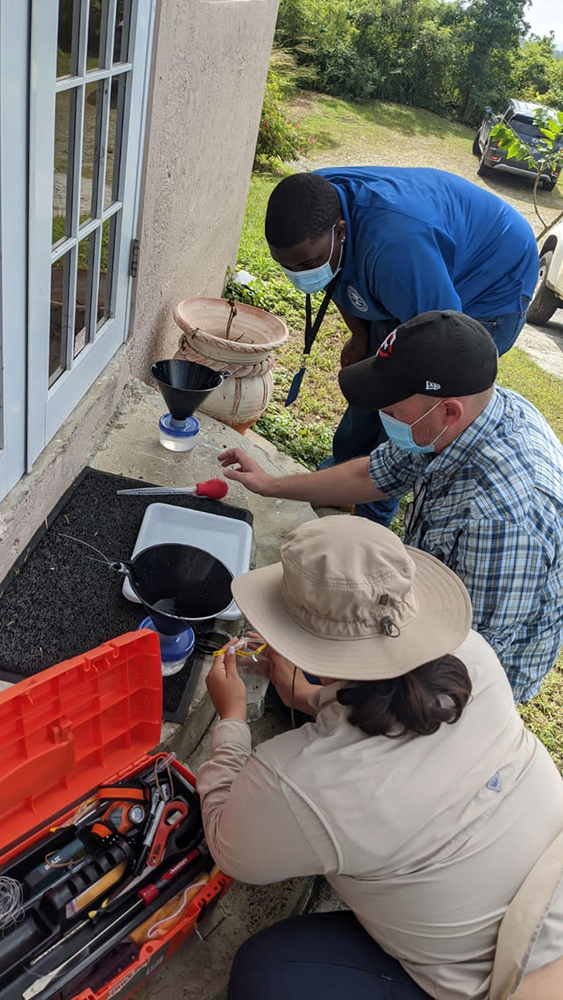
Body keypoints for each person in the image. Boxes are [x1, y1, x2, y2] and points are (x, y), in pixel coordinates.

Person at [197, 516, 563, 1000]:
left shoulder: (303, 782)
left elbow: (230, 847)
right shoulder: (472, 653)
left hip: (503, 980)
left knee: (269, 973)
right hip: (553, 876)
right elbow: (398, 706)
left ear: (306, 647)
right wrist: (309, 695)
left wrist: (232, 717)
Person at [217, 311, 563, 704]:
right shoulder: (462, 416)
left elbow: (461, 669)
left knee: (299, 668)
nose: (382, 416)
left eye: (393, 410)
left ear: (449, 411)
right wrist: (270, 485)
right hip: (430, 615)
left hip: (468, 679)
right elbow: (374, 476)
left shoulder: (501, 521)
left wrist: (314, 700)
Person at [265, 168, 538, 524]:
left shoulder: (395, 251)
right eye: (285, 266)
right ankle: (338, 479)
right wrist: (361, 335)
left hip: (490, 282)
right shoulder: (312, 205)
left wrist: (401, 416)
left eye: (306, 264)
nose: (298, 273)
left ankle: (370, 517)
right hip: (421, 263)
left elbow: (441, 341)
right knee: (376, 381)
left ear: (341, 233)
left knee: (413, 407)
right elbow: (338, 276)